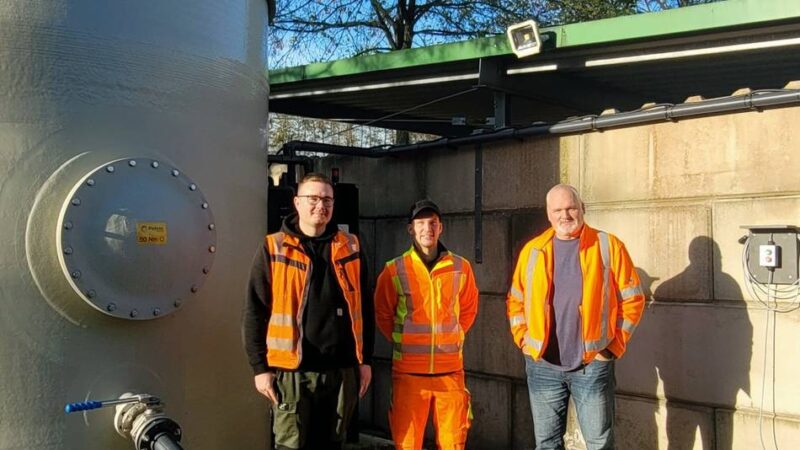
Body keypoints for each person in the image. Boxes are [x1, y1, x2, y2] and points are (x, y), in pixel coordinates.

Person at [506, 184, 645, 450]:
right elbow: (516, 300)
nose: (565, 215)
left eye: (570, 208)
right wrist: (524, 341)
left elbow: (633, 298)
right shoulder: (533, 251)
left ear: (582, 209)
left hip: (592, 364)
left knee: (599, 443)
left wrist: (612, 348)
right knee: (546, 444)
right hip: (543, 364)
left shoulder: (608, 245)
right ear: (548, 214)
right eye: (557, 210)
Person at [243, 172, 374, 450]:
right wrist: (260, 368)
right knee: (291, 445)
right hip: (292, 371)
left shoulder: (350, 246)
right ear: (297, 203)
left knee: (333, 443)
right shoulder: (274, 247)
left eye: (327, 199)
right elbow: (254, 310)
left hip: (341, 370)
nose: (320, 205)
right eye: (312, 198)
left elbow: (365, 306)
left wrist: (365, 362)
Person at [374, 199, 479, 450]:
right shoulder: (394, 270)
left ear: (441, 227)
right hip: (409, 376)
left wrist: (452, 337)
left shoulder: (460, 267)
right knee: (408, 444)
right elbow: (383, 315)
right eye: (420, 223)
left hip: (450, 374)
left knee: (453, 443)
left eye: (432, 223)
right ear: (411, 229)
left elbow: (469, 309)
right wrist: (407, 342)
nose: (427, 228)